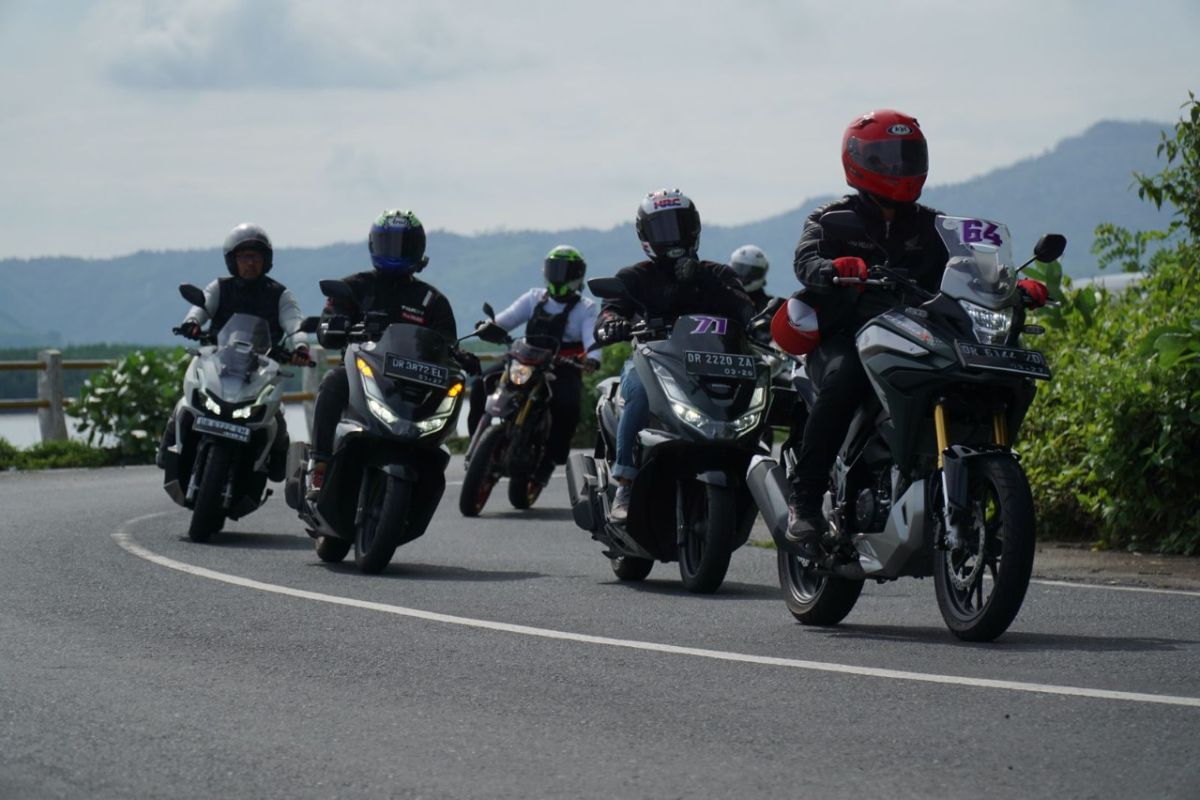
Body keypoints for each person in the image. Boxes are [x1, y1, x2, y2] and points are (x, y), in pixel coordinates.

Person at [783, 109, 1048, 555]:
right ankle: (805, 501)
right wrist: (831, 267)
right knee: (845, 379)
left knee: (973, 370)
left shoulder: (934, 226)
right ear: (857, 161)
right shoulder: (832, 220)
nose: (899, 166)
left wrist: (1011, 283)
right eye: (886, 157)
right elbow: (806, 261)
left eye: (907, 155)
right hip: (847, 331)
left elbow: (971, 267)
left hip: (914, 331)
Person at [594, 189, 756, 521]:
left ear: (694, 228)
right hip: (653, 360)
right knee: (637, 393)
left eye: (679, 226)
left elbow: (744, 309)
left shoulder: (718, 274)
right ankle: (624, 480)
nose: (673, 236)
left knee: (759, 395)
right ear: (645, 235)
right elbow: (609, 312)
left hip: (711, 365)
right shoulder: (634, 277)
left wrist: (701, 278)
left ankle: (764, 479)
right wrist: (612, 325)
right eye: (662, 228)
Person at [307, 209, 475, 495]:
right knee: (333, 382)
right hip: (362, 372)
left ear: (418, 249)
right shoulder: (354, 286)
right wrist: (331, 327)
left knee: (448, 397)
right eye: (388, 243)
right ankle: (319, 464)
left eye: (404, 245)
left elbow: (447, 343)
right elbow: (329, 319)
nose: (396, 251)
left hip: (413, 383)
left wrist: (460, 356)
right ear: (375, 245)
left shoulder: (433, 301)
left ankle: (425, 472)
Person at [157, 222, 309, 479]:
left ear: (266, 260)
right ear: (232, 260)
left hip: (260, 369)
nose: (250, 263)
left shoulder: (281, 295)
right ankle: (167, 448)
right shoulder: (219, 287)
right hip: (218, 362)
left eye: (256, 257)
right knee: (186, 401)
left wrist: (301, 346)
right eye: (244, 257)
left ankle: (271, 464)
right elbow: (201, 308)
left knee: (276, 418)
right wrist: (192, 323)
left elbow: (295, 323)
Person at [466, 245, 600, 485]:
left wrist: (593, 358)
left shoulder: (586, 308)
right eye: (555, 269)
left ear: (577, 275)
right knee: (479, 385)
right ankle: (477, 443)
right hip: (524, 360)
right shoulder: (534, 297)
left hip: (562, 366)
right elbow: (506, 320)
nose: (559, 276)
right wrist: (488, 327)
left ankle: (550, 459)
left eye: (565, 270)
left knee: (568, 406)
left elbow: (593, 339)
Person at [729, 245, 773, 312]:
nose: (742, 277)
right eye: (739, 268)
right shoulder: (720, 295)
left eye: (750, 272)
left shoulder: (770, 307)